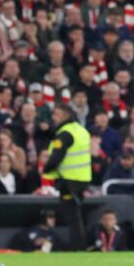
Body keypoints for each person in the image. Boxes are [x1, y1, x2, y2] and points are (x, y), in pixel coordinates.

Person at [43, 104, 92, 250]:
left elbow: (57, 156)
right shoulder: (81, 130)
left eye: (56, 114)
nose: (53, 117)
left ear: (65, 115)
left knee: (72, 217)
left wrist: (45, 169)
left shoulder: (65, 133)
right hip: (83, 178)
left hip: (68, 180)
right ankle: (81, 245)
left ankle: (77, 247)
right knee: (78, 215)